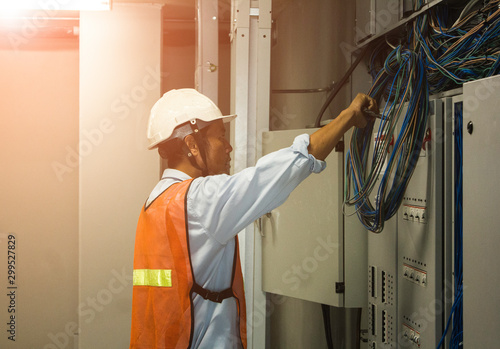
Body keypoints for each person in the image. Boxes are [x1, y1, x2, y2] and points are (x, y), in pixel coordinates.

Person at [129, 88, 377, 349]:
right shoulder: (198, 201)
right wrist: (348, 116)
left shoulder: (155, 203)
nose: (229, 147)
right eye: (220, 137)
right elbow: (279, 171)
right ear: (191, 145)